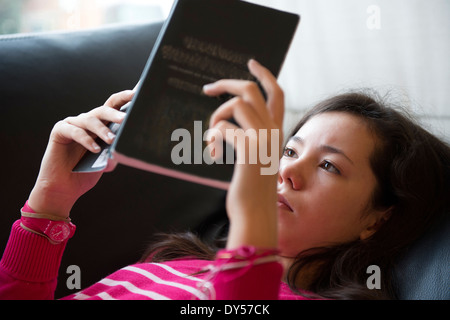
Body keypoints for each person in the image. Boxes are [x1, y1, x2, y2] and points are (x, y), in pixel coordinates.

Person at [0, 60, 449, 300]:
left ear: (377, 218)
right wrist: (50, 201)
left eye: (328, 166)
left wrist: (251, 195)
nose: (285, 171)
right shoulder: (165, 267)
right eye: (289, 151)